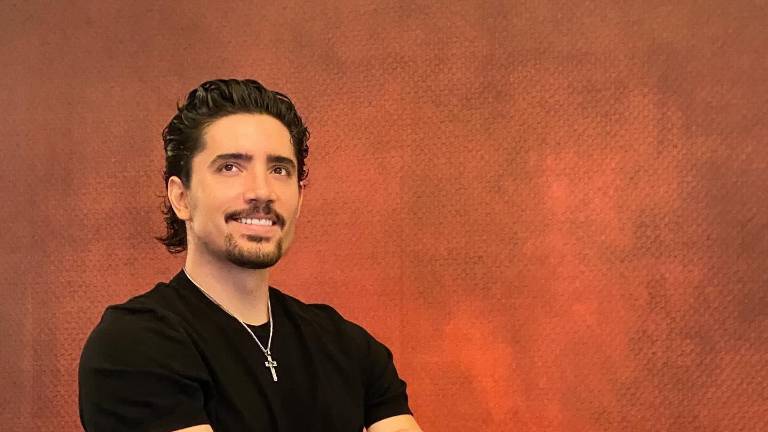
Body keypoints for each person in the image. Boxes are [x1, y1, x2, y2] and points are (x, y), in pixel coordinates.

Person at [78, 79, 422, 432]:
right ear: (181, 198)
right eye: (230, 167)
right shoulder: (133, 344)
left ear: (299, 199)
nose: (262, 191)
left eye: (279, 170)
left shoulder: (349, 348)